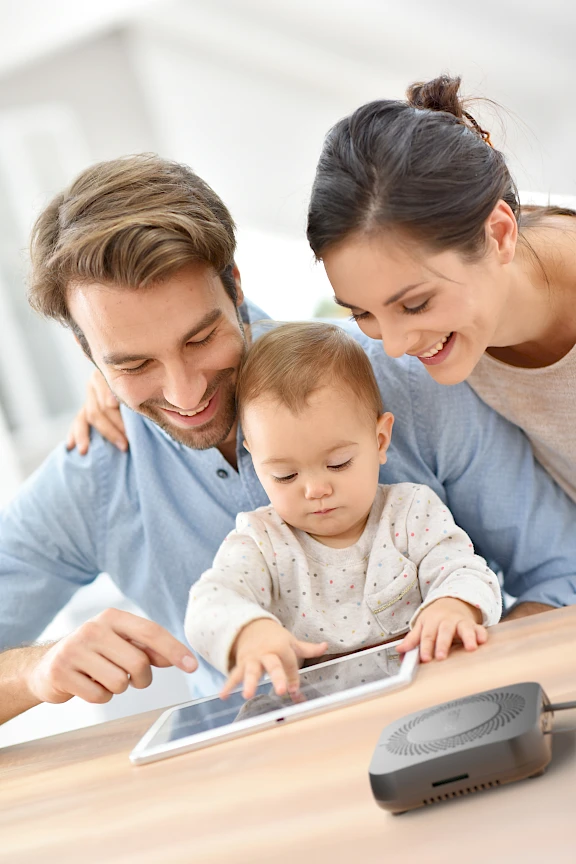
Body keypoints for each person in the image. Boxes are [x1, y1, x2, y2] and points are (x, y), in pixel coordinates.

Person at [1, 155, 574, 728]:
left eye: (201, 339)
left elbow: (559, 572)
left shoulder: (400, 379)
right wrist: (34, 672)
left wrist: (468, 669)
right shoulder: (98, 472)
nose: (185, 391)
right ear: (90, 357)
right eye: (133, 364)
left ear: (235, 286)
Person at [185, 322, 501, 700]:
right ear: (255, 461)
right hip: (321, 719)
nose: (316, 489)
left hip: (432, 693)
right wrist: (248, 631)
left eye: (337, 463)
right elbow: (208, 603)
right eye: (285, 474)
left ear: (380, 439)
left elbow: (466, 571)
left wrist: (454, 604)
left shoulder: (410, 512)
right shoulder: (261, 542)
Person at [306, 74, 576, 503]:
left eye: (415, 304)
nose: (394, 346)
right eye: (362, 313)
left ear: (500, 234)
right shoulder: (465, 325)